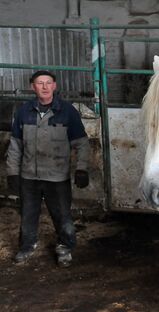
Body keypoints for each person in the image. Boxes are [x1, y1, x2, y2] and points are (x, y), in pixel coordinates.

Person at [5, 70, 90, 267]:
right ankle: (27, 246)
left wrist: (82, 168)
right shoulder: (23, 112)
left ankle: (65, 248)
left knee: (62, 215)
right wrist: (12, 173)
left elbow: (82, 143)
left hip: (57, 176)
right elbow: (15, 145)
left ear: (54, 86)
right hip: (29, 176)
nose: (44, 87)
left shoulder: (67, 111)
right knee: (27, 214)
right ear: (33, 87)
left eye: (48, 83)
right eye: (39, 83)